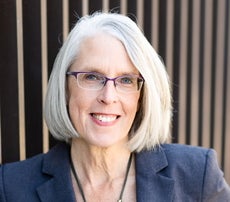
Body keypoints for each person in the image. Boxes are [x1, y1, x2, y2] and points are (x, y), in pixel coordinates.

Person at [0, 12, 229, 202]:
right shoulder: (10, 187)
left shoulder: (197, 176)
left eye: (126, 80)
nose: (108, 97)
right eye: (91, 77)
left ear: (142, 97)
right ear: (65, 87)